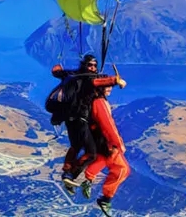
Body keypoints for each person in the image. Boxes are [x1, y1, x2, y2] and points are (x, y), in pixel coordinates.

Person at [78, 80, 130, 217]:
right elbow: (108, 124)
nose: (110, 89)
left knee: (104, 159)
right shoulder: (100, 103)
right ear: (100, 87)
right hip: (106, 141)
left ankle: (88, 179)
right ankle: (105, 199)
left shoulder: (94, 100)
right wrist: (118, 143)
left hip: (98, 139)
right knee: (122, 169)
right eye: (107, 87)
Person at [51, 54, 99, 187]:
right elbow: (102, 82)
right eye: (90, 65)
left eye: (95, 65)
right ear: (85, 65)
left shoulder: (73, 75)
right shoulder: (89, 79)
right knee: (91, 153)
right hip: (81, 119)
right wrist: (116, 81)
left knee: (76, 146)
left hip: (69, 118)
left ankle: (67, 173)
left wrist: (58, 69)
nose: (93, 68)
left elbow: (57, 72)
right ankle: (72, 175)